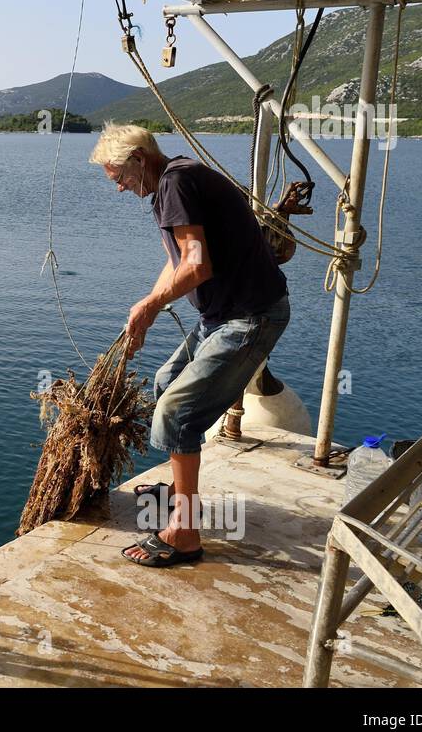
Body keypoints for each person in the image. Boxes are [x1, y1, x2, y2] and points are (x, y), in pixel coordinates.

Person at [89, 124, 290, 567]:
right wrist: (147, 310)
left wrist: (150, 304)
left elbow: (196, 267)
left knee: (178, 413)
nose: (121, 189)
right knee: (167, 380)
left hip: (249, 317)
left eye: (120, 178)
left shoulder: (175, 183)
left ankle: (185, 533)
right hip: (221, 316)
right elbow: (177, 261)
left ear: (140, 159)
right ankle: (179, 493)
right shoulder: (173, 181)